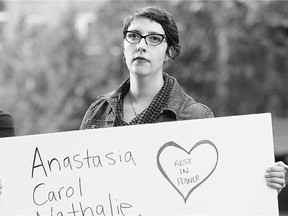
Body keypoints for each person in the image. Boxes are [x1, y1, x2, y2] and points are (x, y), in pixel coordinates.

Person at [80, 6, 287, 193]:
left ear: (169, 52)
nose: (141, 45)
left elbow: (218, 190)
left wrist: (263, 185)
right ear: (124, 48)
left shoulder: (197, 117)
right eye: (133, 36)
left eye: (154, 39)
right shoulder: (99, 110)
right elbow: (78, 182)